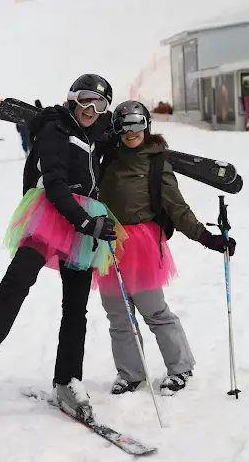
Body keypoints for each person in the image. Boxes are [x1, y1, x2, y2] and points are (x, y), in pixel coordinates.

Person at [0, 74, 125, 421]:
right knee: (21, 274)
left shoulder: (96, 137)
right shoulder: (56, 128)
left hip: (86, 221)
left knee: (76, 308)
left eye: (99, 104)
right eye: (85, 100)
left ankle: (67, 379)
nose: (90, 108)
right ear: (72, 99)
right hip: (55, 213)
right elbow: (53, 183)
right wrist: (86, 222)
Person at [97, 100, 236, 395]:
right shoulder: (107, 155)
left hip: (140, 244)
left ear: (147, 125)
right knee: (118, 314)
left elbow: (177, 208)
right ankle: (130, 372)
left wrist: (206, 237)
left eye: (137, 123)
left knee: (154, 310)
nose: (131, 131)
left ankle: (180, 367)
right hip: (107, 240)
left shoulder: (157, 161)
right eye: (124, 125)